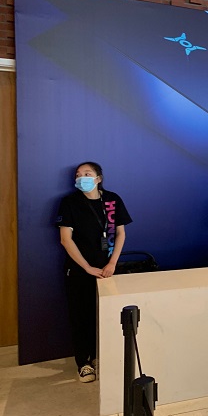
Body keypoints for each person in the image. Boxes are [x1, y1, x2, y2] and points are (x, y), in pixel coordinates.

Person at [57, 162, 132, 383]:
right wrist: (87, 267)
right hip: (79, 270)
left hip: (108, 269)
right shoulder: (70, 202)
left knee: (105, 315)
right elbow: (65, 239)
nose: (82, 177)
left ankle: (100, 356)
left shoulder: (112, 200)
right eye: (78, 174)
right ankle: (84, 363)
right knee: (81, 316)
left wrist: (113, 263)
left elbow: (121, 233)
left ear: (98, 178)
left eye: (87, 174)